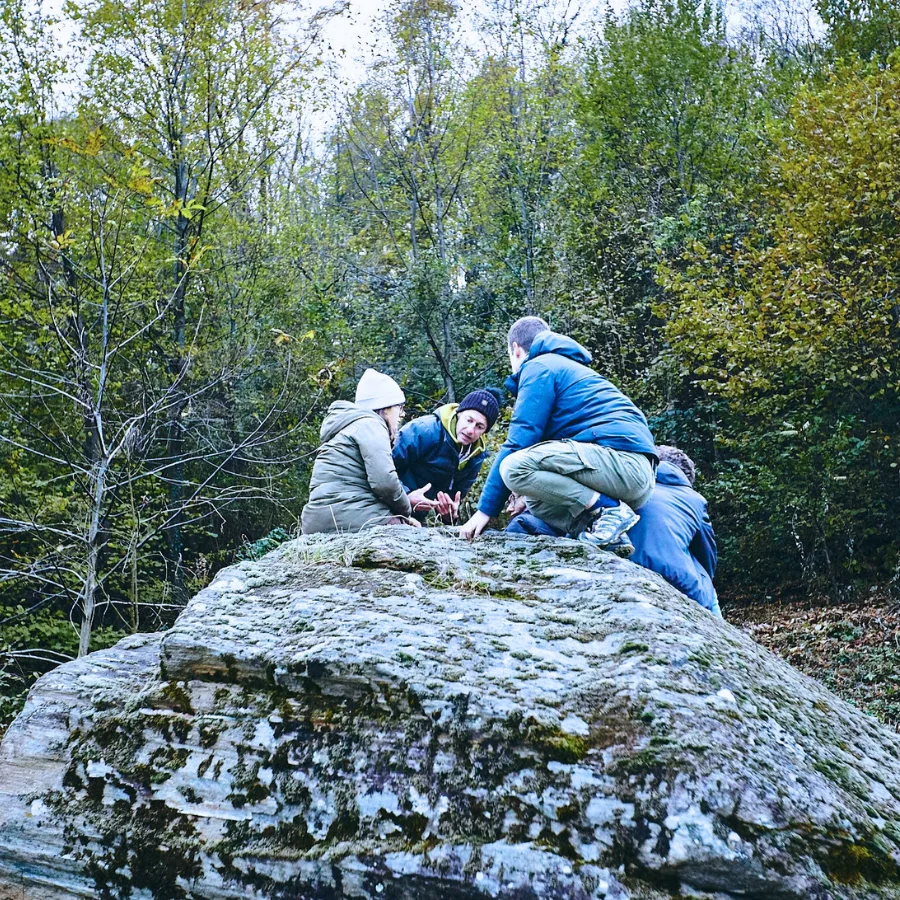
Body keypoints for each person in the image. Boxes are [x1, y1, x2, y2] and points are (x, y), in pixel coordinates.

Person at [459, 316, 657, 545]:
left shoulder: (540, 366)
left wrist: (485, 511)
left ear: (515, 349)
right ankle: (603, 532)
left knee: (512, 467)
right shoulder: (567, 368)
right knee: (536, 500)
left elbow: (518, 443)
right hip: (636, 479)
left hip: (623, 465)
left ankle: (609, 509)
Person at [301, 369, 437, 534]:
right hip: (350, 515)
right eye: (399, 408)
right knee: (415, 537)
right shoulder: (371, 424)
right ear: (385, 408)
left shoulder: (346, 428)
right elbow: (384, 482)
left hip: (315, 521)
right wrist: (406, 511)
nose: (402, 414)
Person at [628, 445, 722, 616]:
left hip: (624, 569)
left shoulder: (628, 486)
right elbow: (707, 553)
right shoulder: (695, 499)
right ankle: (723, 636)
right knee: (709, 591)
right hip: (677, 581)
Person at [393, 388, 503, 523]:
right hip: (387, 503)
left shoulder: (476, 457)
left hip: (416, 517)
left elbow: (455, 499)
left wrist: (449, 516)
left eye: (479, 426)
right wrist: (405, 496)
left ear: (484, 431)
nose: (470, 430)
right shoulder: (424, 430)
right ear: (459, 414)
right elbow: (382, 468)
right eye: (469, 420)